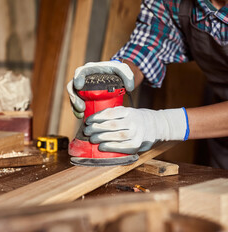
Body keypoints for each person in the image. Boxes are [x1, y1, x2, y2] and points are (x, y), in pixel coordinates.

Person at [67, 0, 228, 168]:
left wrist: (164, 124)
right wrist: (117, 73)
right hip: (219, 133)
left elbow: (165, 124)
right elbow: (148, 44)